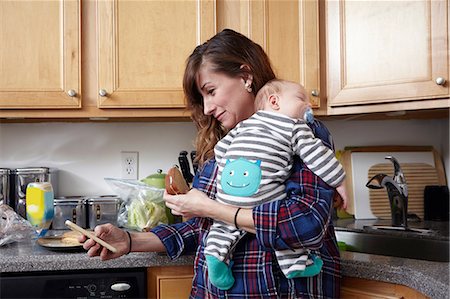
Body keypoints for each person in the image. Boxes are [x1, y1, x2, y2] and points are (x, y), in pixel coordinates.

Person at [80, 29, 344, 298]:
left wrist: (211, 207)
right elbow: (203, 226)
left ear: (245, 76)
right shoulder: (227, 142)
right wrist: (129, 240)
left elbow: (306, 225)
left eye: (211, 91)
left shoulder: (300, 130)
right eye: (202, 97)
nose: (206, 108)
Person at [205, 79, 348, 290]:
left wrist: (229, 164)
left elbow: (220, 149)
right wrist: (340, 180)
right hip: (262, 198)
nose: (308, 105)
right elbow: (317, 156)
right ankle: (294, 265)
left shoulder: (243, 125)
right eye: (301, 99)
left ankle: (216, 257)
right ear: (274, 101)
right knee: (279, 226)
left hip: (227, 192)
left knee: (224, 227)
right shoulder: (295, 126)